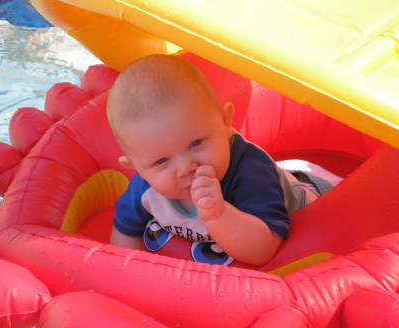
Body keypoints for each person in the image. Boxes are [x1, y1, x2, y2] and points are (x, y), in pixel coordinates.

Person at [106, 54, 324, 266]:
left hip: (306, 201)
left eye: (195, 143)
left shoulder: (250, 171)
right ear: (136, 168)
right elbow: (125, 234)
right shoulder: (145, 189)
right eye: (162, 161)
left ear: (225, 121)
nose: (185, 168)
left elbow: (263, 251)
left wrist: (218, 214)